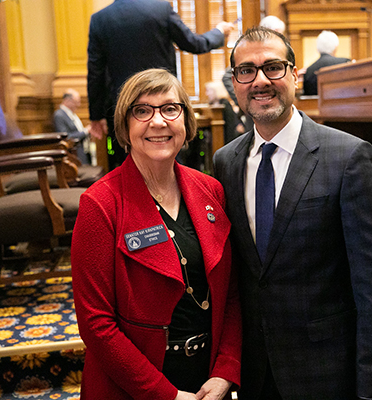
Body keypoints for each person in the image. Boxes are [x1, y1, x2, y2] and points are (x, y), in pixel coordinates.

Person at [213, 27, 372, 400]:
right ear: (235, 83)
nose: (260, 81)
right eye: (246, 71)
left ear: (295, 75)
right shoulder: (225, 162)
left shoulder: (347, 157)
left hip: (328, 373)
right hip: (255, 373)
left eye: (273, 68)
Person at [72, 69, 241, 400]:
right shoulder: (100, 204)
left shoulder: (211, 191)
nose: (158, 121)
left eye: (169, 108)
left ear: (186, 121)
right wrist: (166, 395)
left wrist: (226, 370)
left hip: (207, 382)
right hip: (136, 387)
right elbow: (96, 324)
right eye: (142, 110)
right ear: (125, 126)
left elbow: (232, 293)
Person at [87, 0, 235, 171]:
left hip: (124, 109)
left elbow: (95, 73)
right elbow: (194, 43)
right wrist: (219, 32)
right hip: (164, 104)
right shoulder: (161, 9)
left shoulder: (100, 19)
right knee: (169, 161)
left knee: (130, 169)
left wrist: (96, 117)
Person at [222, 15, 286, 133]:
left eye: (273, 68)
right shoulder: (248, 52)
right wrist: (245, 99)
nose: (261, 81)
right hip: (255, 121)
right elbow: (226, 77)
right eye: (278, 34)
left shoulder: (283, 52)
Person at [302, 30, 351, 96]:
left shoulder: (309, 71)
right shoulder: (345, 64)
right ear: (335, 47)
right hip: (343, 105)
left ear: (317, 49)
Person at [53, 89, 92, 165]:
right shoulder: (59, 115)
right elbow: (66, 138)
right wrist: (85, 132)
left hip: (81, 152)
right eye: (76, 102)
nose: (78, 105)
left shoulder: (72, 114)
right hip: (73, 155)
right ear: (67, 100)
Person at [205, 80, 243, 144]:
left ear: (216, 91)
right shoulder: (212, 104)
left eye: (209, 91)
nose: (207, 94)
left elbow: (230, 126)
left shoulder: (225, 104)